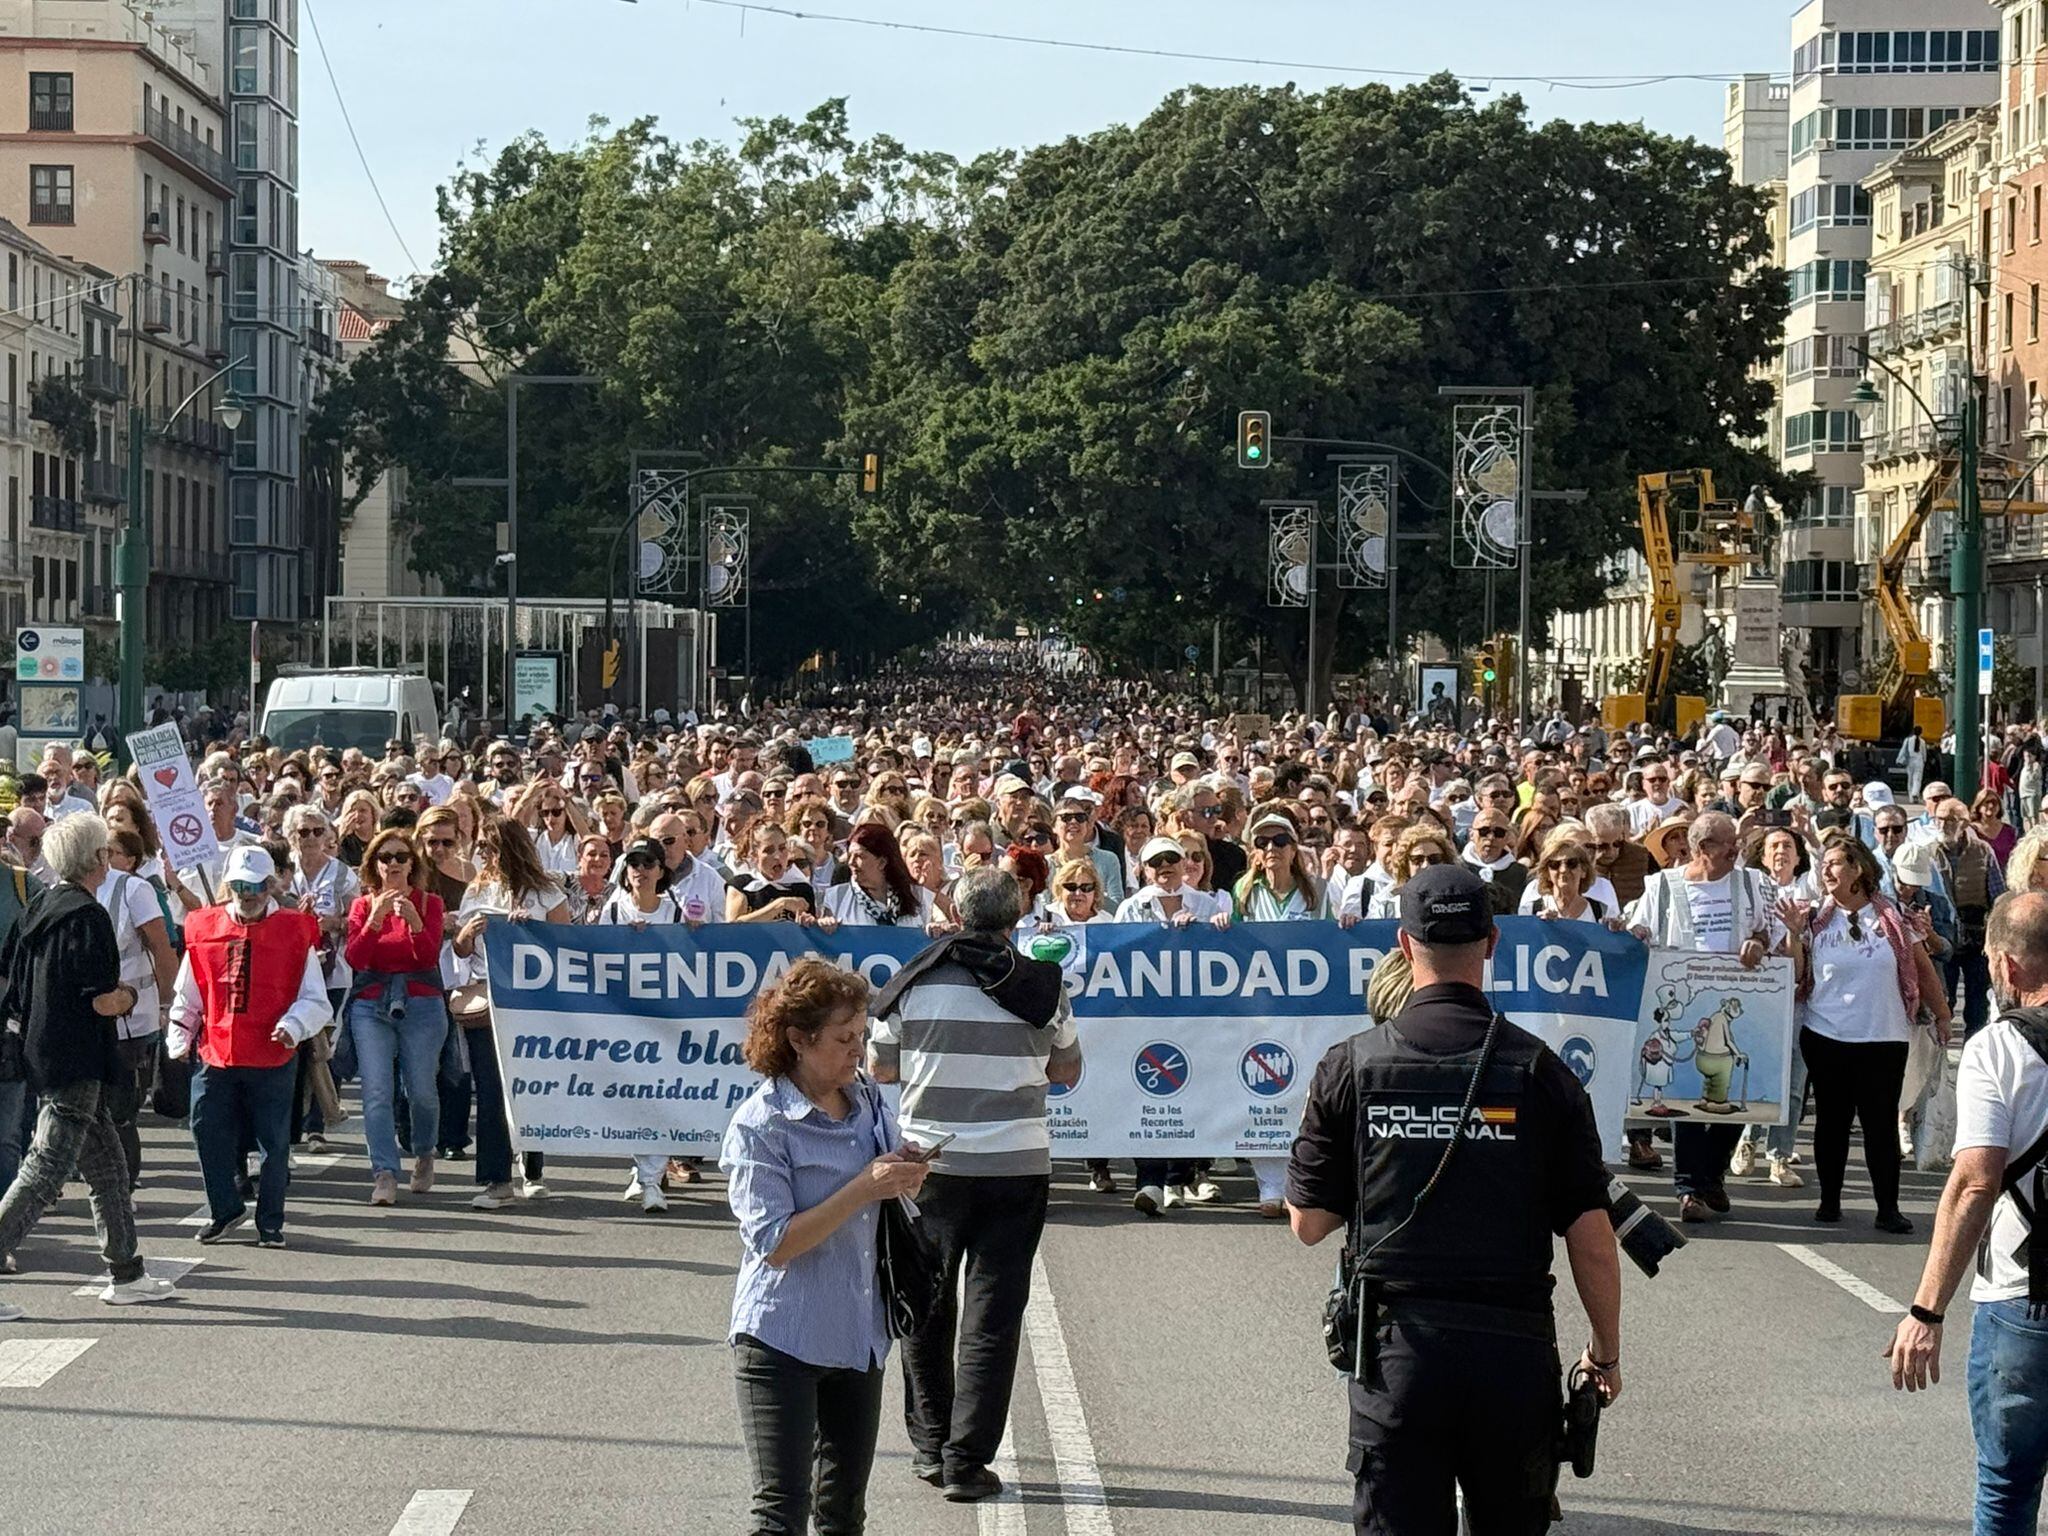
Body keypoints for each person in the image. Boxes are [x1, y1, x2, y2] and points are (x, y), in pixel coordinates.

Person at [1285, 863, 1621, 1531]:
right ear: (1492, 943)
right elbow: (1591, 1235)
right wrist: (1605, 1350)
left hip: (1396, 1353)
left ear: (1405, 947)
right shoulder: (1542, 1071)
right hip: (1513, 1351)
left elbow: (1309, 1224)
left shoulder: (1349, 1065)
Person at [869, 868, 1083, 1503]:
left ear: (955, 914)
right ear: (1015, 920)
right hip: (1016, 1167)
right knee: (993, 1317)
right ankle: (967, 1461)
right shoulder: (1045, 986)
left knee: (926, 1307)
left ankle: (932, 1448)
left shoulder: (916, 981)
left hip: (929, 1166)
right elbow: (1067, 1070)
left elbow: (881, 1066)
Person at [721, 957, 931, 1536]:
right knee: (779, 1517)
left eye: (861, 1036)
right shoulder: (760, 1124)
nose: (857, 1051)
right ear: (797, 1039)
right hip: (780, 1339)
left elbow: (887, 1182)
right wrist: (865, 1186)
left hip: (857, 1335)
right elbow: (776, 1244)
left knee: (842, 1517)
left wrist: (907, 1171)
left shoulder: (864, 1098)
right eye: (843, 1039)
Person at [1887, 891, 2048, 1534]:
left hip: (2024, 1297)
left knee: (2007, 1489)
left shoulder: (1998, 1049)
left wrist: (1926, 1309)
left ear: (2006, 967)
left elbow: (1973, 1183)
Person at [0, 814, 179, 1315]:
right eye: (104, 851)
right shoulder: (88, 915)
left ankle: (126, 1272)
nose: (108, 858)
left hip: (45, 1049)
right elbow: (99, 999)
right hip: (76, 1054)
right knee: (45, 1167)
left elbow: (13, 985)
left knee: (107, 1167)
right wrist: (128, 995)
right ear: (96, 857)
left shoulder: (39, 906)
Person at [1782, 835, 1948, 1234]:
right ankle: (1830, 1201)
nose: (1826, 870)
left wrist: (1942, 1013)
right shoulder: (1813, 918)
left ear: (1859, 869)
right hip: (1826, 1035)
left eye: (1836, 863)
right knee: (1832, 1123)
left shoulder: (1892, 918)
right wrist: (1791, 933)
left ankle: (1888, 1208)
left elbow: (1922, 969)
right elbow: (1798, 974)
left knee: (1880, 1125)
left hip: (1883, 1037)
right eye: (1824, 864)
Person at [1628, 812, 1784, 1223]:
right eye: (1727, 847)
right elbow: (1638, 930)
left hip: (1739, 998)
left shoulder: (1752, 883)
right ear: (1701, 850)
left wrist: (1759, 940)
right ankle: (1688, 1190)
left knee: (1732, 1100)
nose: (1736, 852)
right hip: (1685, 994)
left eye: (1737, 845)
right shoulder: (1662, 887)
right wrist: (1637, 936)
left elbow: (1775, 930)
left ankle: (1712, 1177)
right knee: (1687, 1098)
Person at [167, 846, 326, 1248]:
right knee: (205, 1127)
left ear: (269, 886)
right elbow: (190, 991)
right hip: (216, 1052)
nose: (246, 894)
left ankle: (270, 1221)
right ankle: (225, 1209)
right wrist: (180, 1034)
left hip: (272, 1054)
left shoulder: (294, 929)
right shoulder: (204, 927)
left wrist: (294, 1024)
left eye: (254, 886)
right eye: (238, 885)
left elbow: (315, 998)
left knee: (273, 1142)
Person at [450, 813, 569, 1210]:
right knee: (489, 1092)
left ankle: (532, 1167)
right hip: (487, 1000)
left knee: (529, 1089)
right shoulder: (476, 890)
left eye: (490, 846)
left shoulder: (547, 893)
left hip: (534, 1006)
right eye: (480, 846)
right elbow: (461, 951)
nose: (483, 853)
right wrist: (466, 934)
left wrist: (528, 932)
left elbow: (567, 948)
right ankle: (496, 1179)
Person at [343, 826, 448, 1207]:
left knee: (420, 1090)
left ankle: (424, 1151)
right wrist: (375, 919)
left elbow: (429, 957)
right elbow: (355, 958)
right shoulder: (361, 905)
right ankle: (384, 1172)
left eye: (401, 857)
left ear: (412, 863)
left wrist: (416, 924)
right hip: (372, 1003)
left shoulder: (429, 903)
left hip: (421, 1003)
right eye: (385, 857)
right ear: (374, 864)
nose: (393, 864)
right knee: (376, 1092)